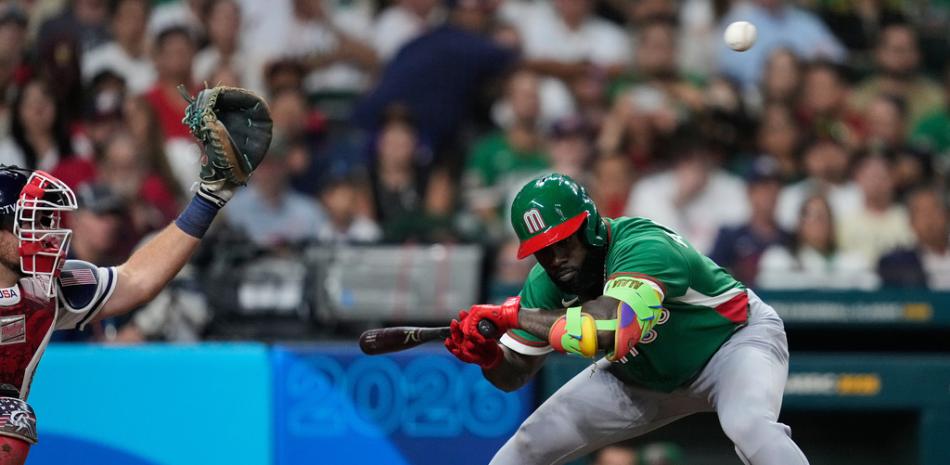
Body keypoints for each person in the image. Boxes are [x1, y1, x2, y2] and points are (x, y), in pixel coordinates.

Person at [445, 173, 810, 465]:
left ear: (588, 226)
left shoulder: (642, 245)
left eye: (562, 242)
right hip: (642, 376)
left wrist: (514, 316)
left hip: (729, 345)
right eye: (542, 251)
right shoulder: (546, 282)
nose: (554, 258)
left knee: (750, 428)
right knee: (525, 447)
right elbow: (514, 374)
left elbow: (611, 328)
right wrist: (489, 356)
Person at [0, 86, 270, 464]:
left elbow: (136, 280)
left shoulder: (44, 287)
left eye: (44, 220)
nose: (43, 233)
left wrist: (210, 197)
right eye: (27, 223)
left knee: (11, 421)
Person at [878, 187, 950, 289]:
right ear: (911, 223)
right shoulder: (896, 264)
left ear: (947, 215)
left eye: (934, 210)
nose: (930, 219)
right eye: (922, 213)